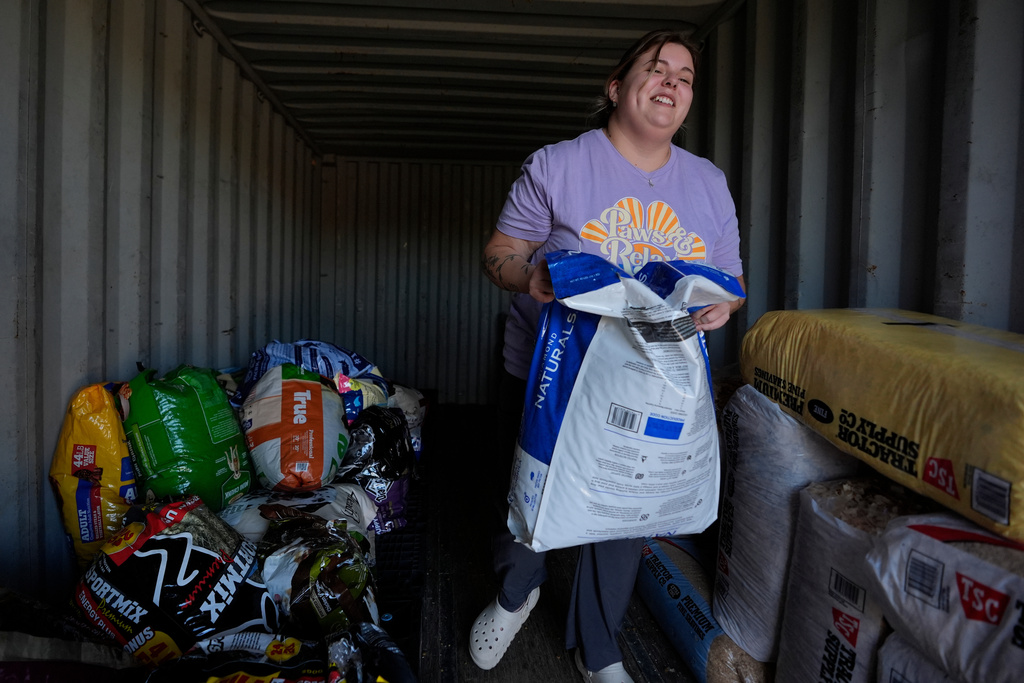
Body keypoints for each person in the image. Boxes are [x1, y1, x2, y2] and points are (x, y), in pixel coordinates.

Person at [472, 28, 746, 683]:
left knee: (627, 511)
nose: (673, 82)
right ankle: (515, 593)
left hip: (648, 385)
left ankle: (597, 645)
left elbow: (730, 282)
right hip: (551, 377)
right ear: (617, 87)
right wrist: (531, 278)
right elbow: (499, 254)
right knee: (527, 501)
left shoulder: (707, 183)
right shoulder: (559, 164)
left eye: (685, 76)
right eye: (657, 69)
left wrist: (720, 307)